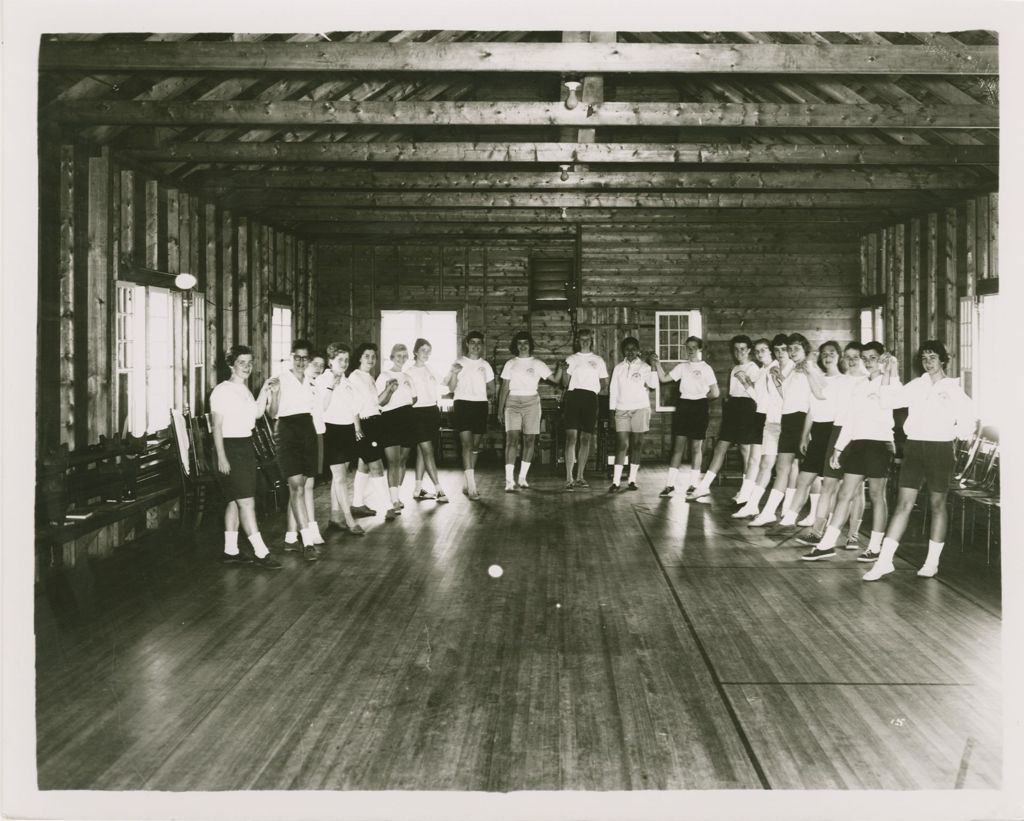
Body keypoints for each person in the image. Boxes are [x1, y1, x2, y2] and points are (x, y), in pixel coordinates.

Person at [863, 341, 975, 581]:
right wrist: (888, 373)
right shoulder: (916, 385)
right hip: (914, 447)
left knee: (937, 504)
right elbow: (887, 401)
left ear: (943, 360)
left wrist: (949, 432)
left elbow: (968, 423)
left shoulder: (953, 389)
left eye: (933, 357)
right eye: (924, 358)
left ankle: (932, 562)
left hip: (941, 449)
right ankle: (884, 562)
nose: (928, 362)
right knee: (903, 504)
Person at [800, 341, 899, 561]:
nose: (868, 362)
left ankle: (874, 547)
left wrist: (890, 371)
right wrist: (838, 448)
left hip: (880, 444)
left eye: (873, 358)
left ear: (882, 359)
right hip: (857, 443)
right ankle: (827, 545)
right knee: (845, 493)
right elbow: (850, 420)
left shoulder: (892, 381)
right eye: (865, 358)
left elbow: (887, 401)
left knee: (876, 495)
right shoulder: (859, 385)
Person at [210, 345, 282, 570]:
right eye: (242, 362)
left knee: (235, 500)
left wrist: (267, 391)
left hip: (244, 445)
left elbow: (258, 413)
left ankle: (230, 551)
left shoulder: (245, 390)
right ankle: (261, 552)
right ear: (231, 365)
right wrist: (222, 457)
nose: (247, 367)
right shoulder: (222, 391)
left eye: (250, 362)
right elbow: (217, 426)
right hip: (229, 448)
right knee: (246, 502)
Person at [795, 342, 868, 548]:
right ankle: (817, 532)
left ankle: (853, 535)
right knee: (828, 484)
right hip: (838, 432)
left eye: (856, 357)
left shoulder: (869, 381)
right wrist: (809, 372)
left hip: (861, 434)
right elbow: (820, 395)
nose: (852, 361)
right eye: (849, 357)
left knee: (856, 489)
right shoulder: (840, 381)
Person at [264, 338, 321, 562]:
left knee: (298, 486)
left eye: (304, 358)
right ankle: (307, 542)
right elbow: (271, 413)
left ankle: (290, 538)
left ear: (308, 360)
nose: (300, 361)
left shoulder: (310, 381)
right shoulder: (280, 379)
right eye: (296, 357)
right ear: (290, 357)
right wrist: (275, 394)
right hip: (286, 430)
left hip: (307, 430)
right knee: (296, 486)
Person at [775, 340, 842, 527]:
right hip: (818, 430)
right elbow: (812, 408)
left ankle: (823, 523)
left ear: (839, 356)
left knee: (828, 482)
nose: (827, 357)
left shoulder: (841, 380)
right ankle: (790, 516)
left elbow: (822, 394)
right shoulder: (818, 375)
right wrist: (805, 435)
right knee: (804, 477)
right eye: (824, 354)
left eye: (832, 353)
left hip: (835, 430)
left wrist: (810, 371)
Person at [750, 333, 813, 526]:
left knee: (811, 471)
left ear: (805, 350)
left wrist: (807, 431)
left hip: (803, 420)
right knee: (782, 468)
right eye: (790, 348)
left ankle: (812, 514)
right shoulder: (790, 371)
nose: (791, 352)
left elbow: (815, 397)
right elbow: (784, 397)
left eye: (795, 349)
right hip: (788, 419)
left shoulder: (808, 367)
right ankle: (769, 512)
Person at [687, 335, 760, 502]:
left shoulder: (754, 368)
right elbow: (732, 393)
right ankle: (703, 487)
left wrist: (746, 380)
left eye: (743, 349)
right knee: (720, 448)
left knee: (745, 451)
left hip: (748, 409)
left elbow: (757, 394)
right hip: (734, 408)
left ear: (749, 350)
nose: (739, 352)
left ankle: (746, 492)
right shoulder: (734, 369)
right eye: (736, 349)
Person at [653, 336, 720, 496]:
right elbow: (663, 379)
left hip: (699, 408)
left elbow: (715, 392)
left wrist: (700, 398)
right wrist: (657, 363)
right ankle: (669, 485)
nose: (690, 350)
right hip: (683, 406)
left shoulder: (706, 368)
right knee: (678, 447)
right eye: (688, 347)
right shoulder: (682, 367)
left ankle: (693, 485)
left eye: (694, 347)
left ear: (700, 349)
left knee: (696, 448)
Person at [734, 334, 790, 518]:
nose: (759, 354)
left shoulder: (777, 368)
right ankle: (752, 504)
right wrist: (746, 384)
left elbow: (785, 396)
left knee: (788, 466)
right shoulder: (762, 370)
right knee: (766, 464)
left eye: (763, 350)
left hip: (784, 421)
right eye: (757, 351)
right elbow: (760, 400)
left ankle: (788, 508)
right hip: (769, 421)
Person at [497, 331, 556, 492]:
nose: (523, 346)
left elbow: (556, 380)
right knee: (511, 440)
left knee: (529, 440)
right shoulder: (510, 363)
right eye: (519, 343)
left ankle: (522, 477)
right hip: (513, 402)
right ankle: (509, 480)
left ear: (530, 345)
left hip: (532, 403)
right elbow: (503, 388)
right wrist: (500, 410)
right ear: (516, 346)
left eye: (525, 343)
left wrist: (562, 369)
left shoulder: (538, 363)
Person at [347, 342, 398, 523]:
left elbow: (377, 403)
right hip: (363, 425)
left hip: (374, 422)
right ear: (359, 357)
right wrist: (357, 428)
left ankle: (357, 504)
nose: (370, 359)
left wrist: (389, 390)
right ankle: (389, 507)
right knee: (376, 466)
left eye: (373, 356)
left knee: (364, 464)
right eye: (367, 356)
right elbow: (352, 405)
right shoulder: (354, 377)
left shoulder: (368, 377)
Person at [319, 342, 365, 536]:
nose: (344, 363)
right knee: (340, 478)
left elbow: (353, 408)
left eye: (346, 360)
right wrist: (331, 385)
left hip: (347, 430)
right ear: (330, 362)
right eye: (340, 360)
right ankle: (349, 519)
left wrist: (357, 428)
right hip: (331, 430)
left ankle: (335, 516)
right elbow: (321, 407)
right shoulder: (324, 379)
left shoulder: (347, 381)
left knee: (341, 476)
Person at [443, 330, 495, 501]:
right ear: (467, 344)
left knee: (475, 446)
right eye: (472, 342)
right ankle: (472, 486)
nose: (475, 346)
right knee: (466, 444)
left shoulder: (485, 365)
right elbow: (450, 388)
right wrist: (455, 374)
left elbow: (492, 389)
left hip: (480, 405)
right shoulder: (458, 363)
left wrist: (481, 393)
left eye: (479, 343)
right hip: (462, 404)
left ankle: (467, 481)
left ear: (482, 346)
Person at [556, 327, 609, 490]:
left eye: (588, 339)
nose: (585, 341)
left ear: (591, 341)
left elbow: (604, 383)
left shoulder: (598, 360)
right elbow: (565, 383)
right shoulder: (572, 359)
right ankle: (569, 478)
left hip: (590, 399)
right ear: (577, 341)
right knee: (571, 438)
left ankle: (580, 476)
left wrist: (591, 390)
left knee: (586, 438)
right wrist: (564, 371)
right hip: (573, 397)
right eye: (582, 339)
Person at [284, 352, 326, 547]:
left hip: (315, 434)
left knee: (303, 487)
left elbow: (322, 409)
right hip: (303, 436)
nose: (318, 368)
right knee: (301, 487)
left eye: (321, 365)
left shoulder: (315, 385)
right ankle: (308, 531)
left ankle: (292, 535)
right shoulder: (294, 383)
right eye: (314, 364)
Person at [607, 336, 658, 492]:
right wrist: (611, 411)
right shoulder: (618, 368)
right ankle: (616, 481)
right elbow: (613, 390)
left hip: (640, 409)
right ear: (623, 351)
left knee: (637, 444)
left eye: (633, 349)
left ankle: (632, 480)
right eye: (627, 349)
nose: (630, 352)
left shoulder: (645, 367)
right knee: (622, 444)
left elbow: (654, 385)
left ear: (638, 351)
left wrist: (654, 366)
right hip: (622, 409)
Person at [377, 343, 418, 511]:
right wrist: (391, 392)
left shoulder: (408, 377)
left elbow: (414, 398)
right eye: (398, 355)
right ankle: (393, 500)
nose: (401, 359)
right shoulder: (384, 375)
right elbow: (379, 402)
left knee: (402, 460)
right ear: (392, 357)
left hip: (407, 418)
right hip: (390, 419)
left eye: (404, 355)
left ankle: (397, 495)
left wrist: (404, 406)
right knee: (393, 461)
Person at [408, 338, 449, 503]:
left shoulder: (430, 368)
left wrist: (453, 371)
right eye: (423, 350)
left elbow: (445, 383)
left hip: (432, 411)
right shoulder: (409, 371)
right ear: (416, 351)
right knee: (428, 451)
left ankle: (418, 490)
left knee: (422, 451)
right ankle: (439, 489)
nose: (426, 354)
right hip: (417, 413)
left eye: (428, 350)